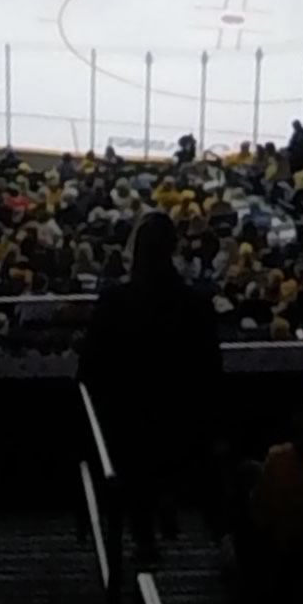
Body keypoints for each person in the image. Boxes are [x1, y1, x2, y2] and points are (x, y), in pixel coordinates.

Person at [78, 211, 219, 564]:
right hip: (179, 418)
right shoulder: (195, 304)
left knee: (135, 466)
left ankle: (144, 538)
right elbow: (210, 369)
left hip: (127, 418)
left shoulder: (114, 302)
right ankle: (165, 511)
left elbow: (90, 367)